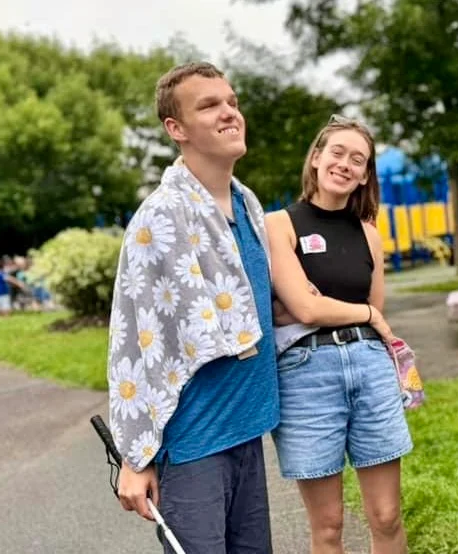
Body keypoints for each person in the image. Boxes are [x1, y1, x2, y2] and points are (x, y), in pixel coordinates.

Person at [107, 61, 283, 553]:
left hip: (246, 431)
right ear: (176, 129)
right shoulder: (160, 218)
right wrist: (135, 457)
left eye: (232, 101)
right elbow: (137, 343)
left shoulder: (247, 206)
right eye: (209, 105)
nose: (230, 113)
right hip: (195, 446)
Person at [265, 115, 413, 554]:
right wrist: (359, 311)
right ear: (315, 158)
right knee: (328, 525)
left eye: (358, 160)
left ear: (366, 174)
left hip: (370, 367)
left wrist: (351, 312)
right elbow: (308, 307)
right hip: (305, 375)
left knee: (386, 516)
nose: (345, 164)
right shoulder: (279, 224)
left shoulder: (369, 234)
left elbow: (365, 311)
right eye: (337, 153)